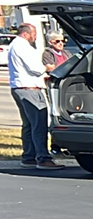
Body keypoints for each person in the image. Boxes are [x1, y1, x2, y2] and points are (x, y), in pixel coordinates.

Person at [6, 23, 60, 169]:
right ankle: (43, 158)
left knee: (29, 125)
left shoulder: (14, 45)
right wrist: (47, 68)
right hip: (30, 89)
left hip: (19, 87)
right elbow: (35, 68)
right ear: (26, 34)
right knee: (39, 124)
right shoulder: (22, 47)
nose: (35, 36)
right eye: (34, 33)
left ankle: (29, 156)